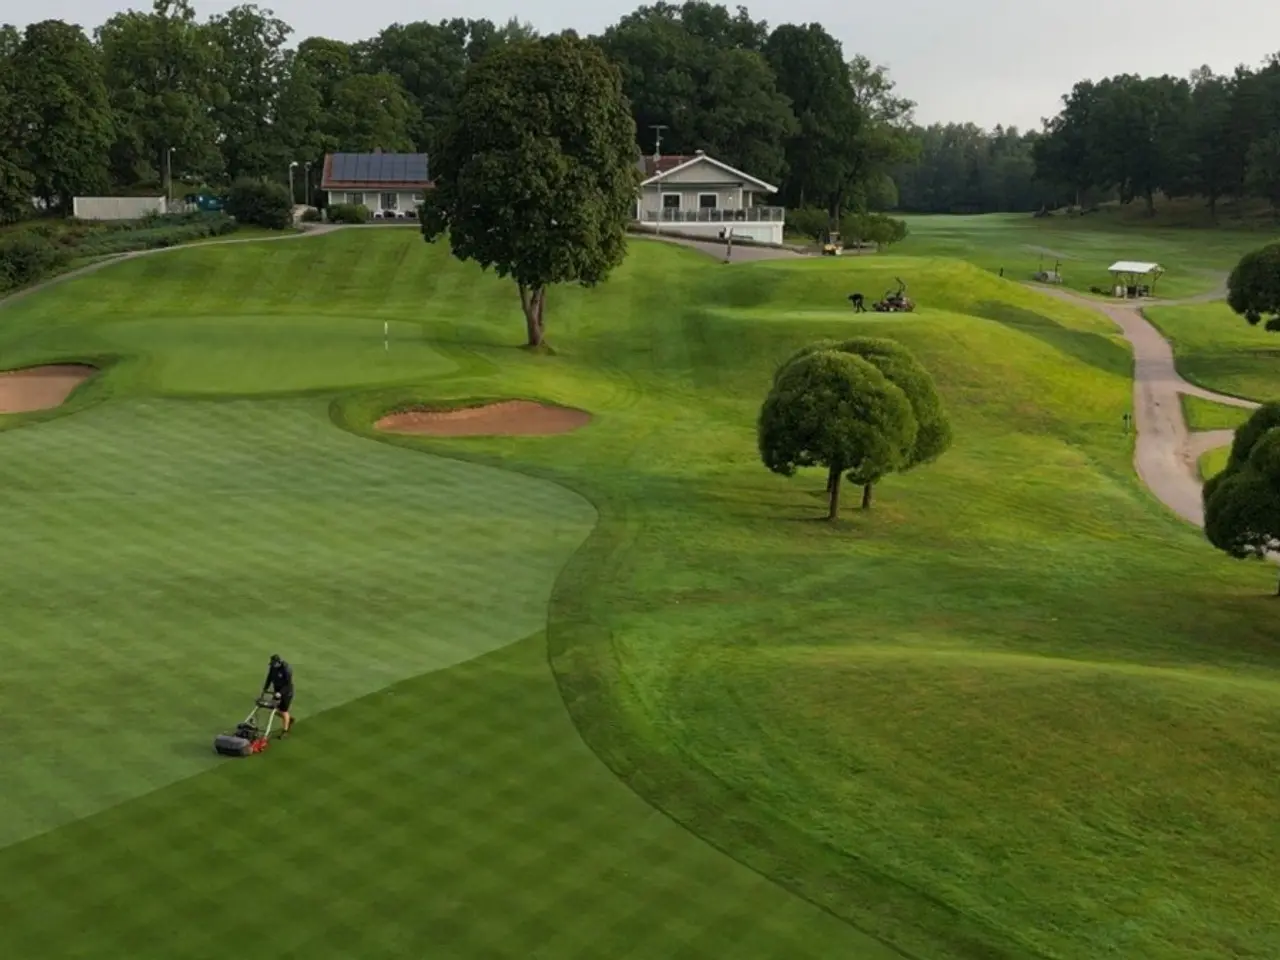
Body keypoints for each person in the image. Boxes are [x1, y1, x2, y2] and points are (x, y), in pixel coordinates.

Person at [262, 654, 294, 738]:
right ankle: (288, 719)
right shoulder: (273, 667)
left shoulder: (286, 669)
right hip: (277, 691)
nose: (273, 665)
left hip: (286, 692)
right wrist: (265, 688)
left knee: (283, 711)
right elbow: (269, 677)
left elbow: (288, 684)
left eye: (274, 664)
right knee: (272, 708)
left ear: (278, 662)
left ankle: (285, 731)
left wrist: (280, 693)